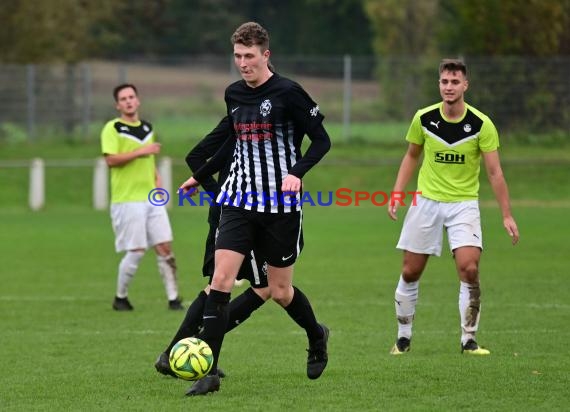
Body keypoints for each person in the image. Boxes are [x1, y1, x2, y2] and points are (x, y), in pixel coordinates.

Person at [178, 22, 332, 395]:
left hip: (280, 207)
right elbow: (231, 141)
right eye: (237, 56)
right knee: (221, 281)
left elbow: (321, 141)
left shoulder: (289, 92)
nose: (242, 63)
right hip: (237, 201)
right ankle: (209, 373)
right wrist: (201, 175)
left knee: (279, 291)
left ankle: (316, 335)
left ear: (266, 55)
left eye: (249, 56)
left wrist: (296, 172)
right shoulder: (233, 94)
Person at [387, 59, 519, 355]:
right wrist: (397, 193)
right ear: (439, 84)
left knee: (469, 268)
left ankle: (468, 340)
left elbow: (495, 173)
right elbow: (411, 156)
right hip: (426, 202)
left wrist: (506, 214)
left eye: (455, 82)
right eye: (445, 81)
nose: (449, 87)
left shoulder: (482, 124)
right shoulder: (423, 118)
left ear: (465, 86)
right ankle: (403, 338)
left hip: (463, 205)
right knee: (410, 271)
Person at [101, 83, 183, 311]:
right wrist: (141, 152)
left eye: (131, 97)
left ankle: (174, 299)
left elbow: (149, 162)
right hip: (127, 200)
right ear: (118, 105)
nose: (128, 101)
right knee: (136, 251)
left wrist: (157, 178)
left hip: (151, 198)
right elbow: (110, 160)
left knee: (165, 247)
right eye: (123, 98)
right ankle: (121, 297)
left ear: (138, 100)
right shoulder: (113, 128)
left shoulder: (147, 127)